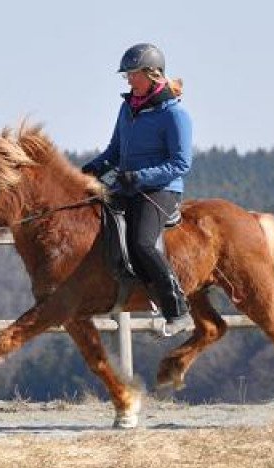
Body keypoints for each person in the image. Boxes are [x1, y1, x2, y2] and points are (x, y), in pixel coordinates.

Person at [82, 43, 193, 336]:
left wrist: (140, 177)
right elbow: (114, 151)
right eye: (127, 76)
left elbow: (180, 164)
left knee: (142, 243)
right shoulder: (126, 108)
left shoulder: (175, 116)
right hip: (127, 185)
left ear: (152, 74)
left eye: (133, 75)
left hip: (161, 190)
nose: (129, 81)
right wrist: (92, 168)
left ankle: (178, 310)